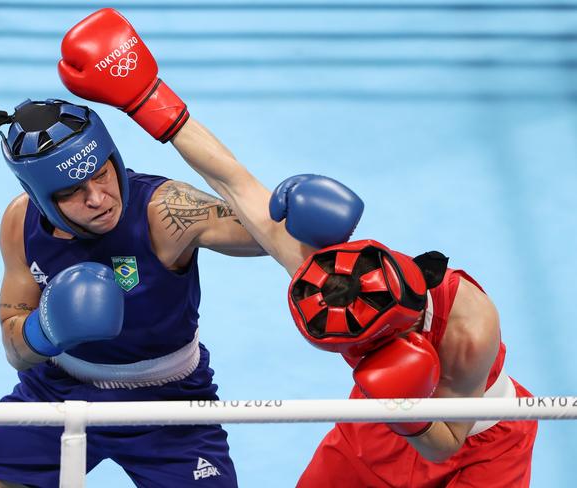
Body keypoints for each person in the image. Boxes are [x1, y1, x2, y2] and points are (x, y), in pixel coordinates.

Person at [39, 8, 538, 486]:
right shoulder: (325, 275)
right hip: (378, 419)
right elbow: (232, 179)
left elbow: (446, 442)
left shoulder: (471, 329)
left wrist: (407, 413)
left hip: (476, 445)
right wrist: (147, 96)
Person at [0, 28, 276, 488]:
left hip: (170, 403)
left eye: (102, 175)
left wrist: (292, 216)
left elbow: (261, 235)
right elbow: (16, 350)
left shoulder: (163, 210)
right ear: (39, 197)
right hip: (56, 391)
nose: (98, 198)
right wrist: (45, 329)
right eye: (74, 192)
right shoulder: (20, 222)